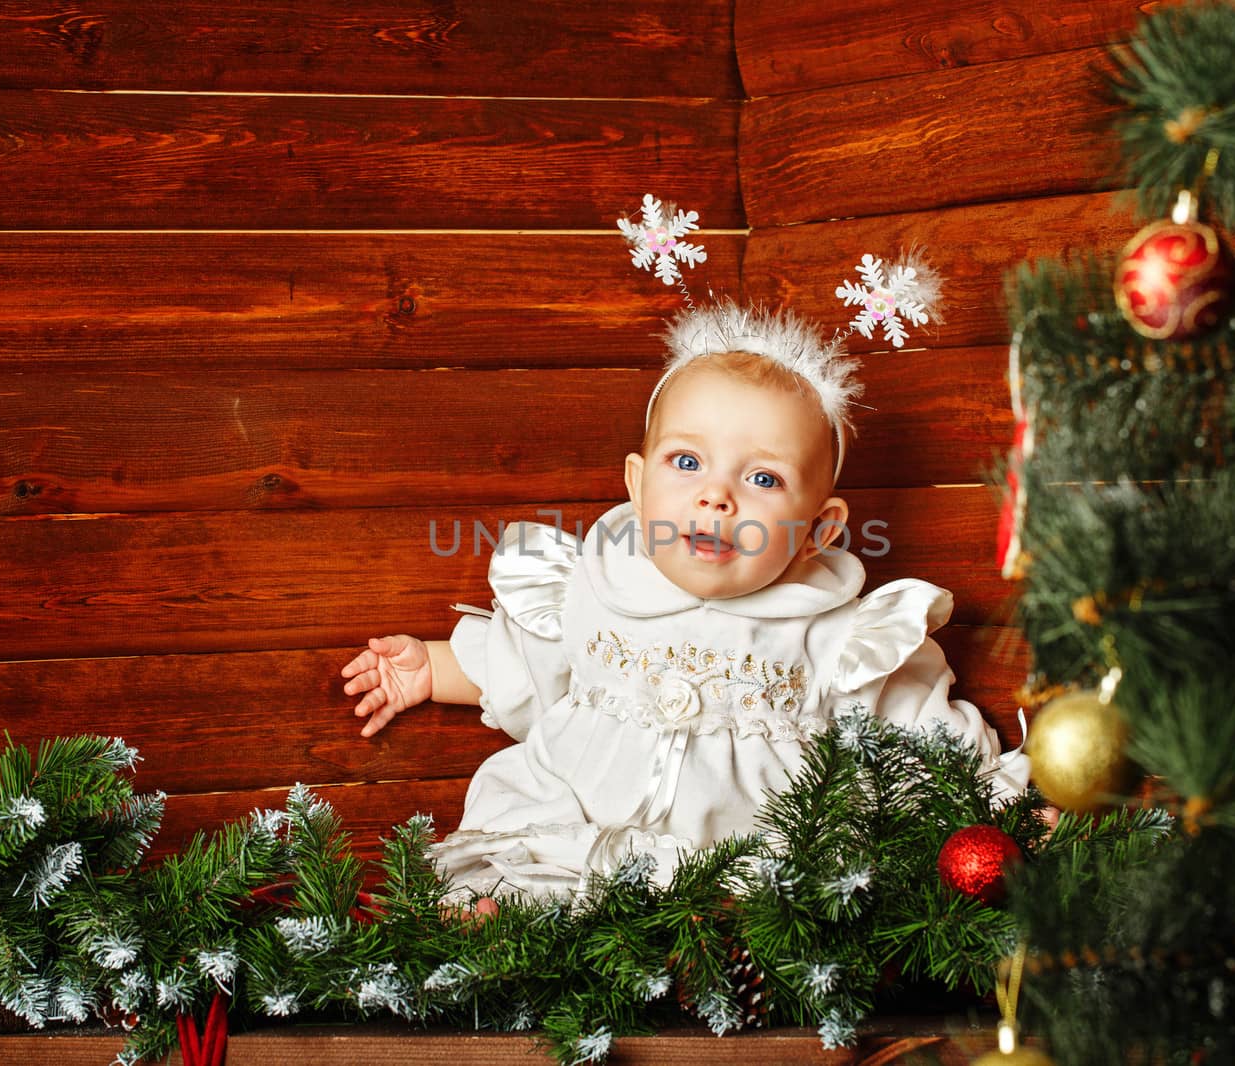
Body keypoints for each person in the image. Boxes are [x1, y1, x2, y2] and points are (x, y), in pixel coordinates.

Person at [341, 300, 1030, 900]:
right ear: (638, 488)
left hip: (742, 862)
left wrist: (998, 803)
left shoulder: (834, 634)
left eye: (762, 476)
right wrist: (431, 669)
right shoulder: (597, 585)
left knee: (799, 885)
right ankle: (504, 914)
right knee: (517, 836)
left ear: (819, 530)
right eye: (688, 462)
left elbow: (917, 735)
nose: (716, 495)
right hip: (580, 820)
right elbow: (529, 663)